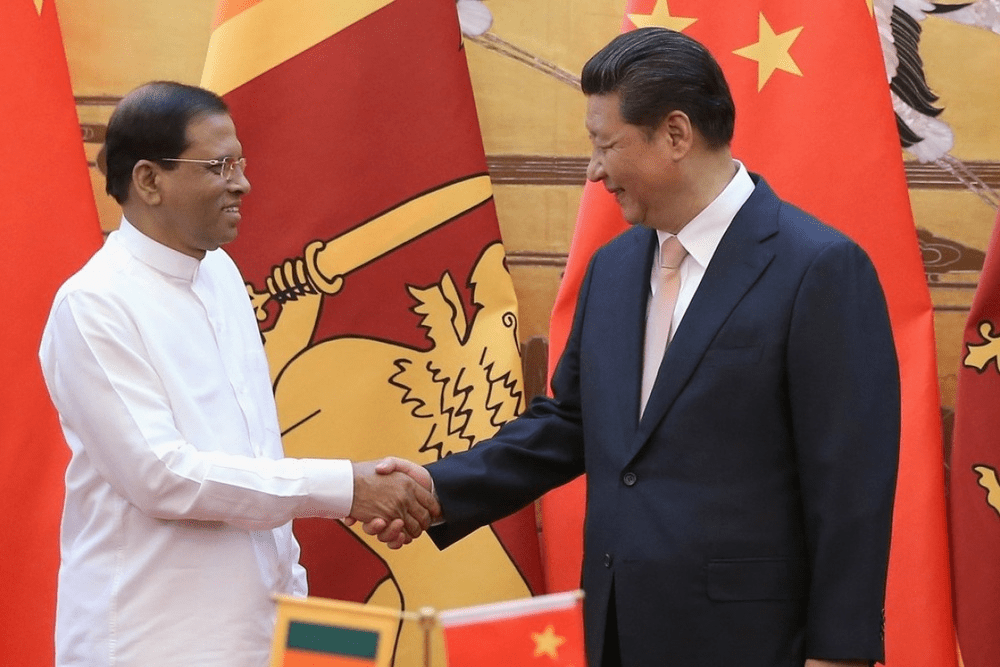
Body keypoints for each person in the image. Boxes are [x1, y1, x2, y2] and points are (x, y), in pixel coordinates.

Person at [373, 27, 899, 667]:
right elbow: (571, 423)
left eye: (605, 145)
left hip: (754, 644)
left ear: (675, 135)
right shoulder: (615, 269)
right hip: (618, 630)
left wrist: (839, 654)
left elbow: (850, 486)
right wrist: (437, 486)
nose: (594, 170)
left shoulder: (818, 267)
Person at [38, 81, 438, 667]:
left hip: (261, 632)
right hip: (152, 642)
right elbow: (162, 477)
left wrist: (293, 598)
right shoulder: (94, 304)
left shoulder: (221, 274)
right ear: (149, 181)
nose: (242, 183)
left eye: (241, 163)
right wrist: (346, 488)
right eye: (219, 166)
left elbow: (254, 452)